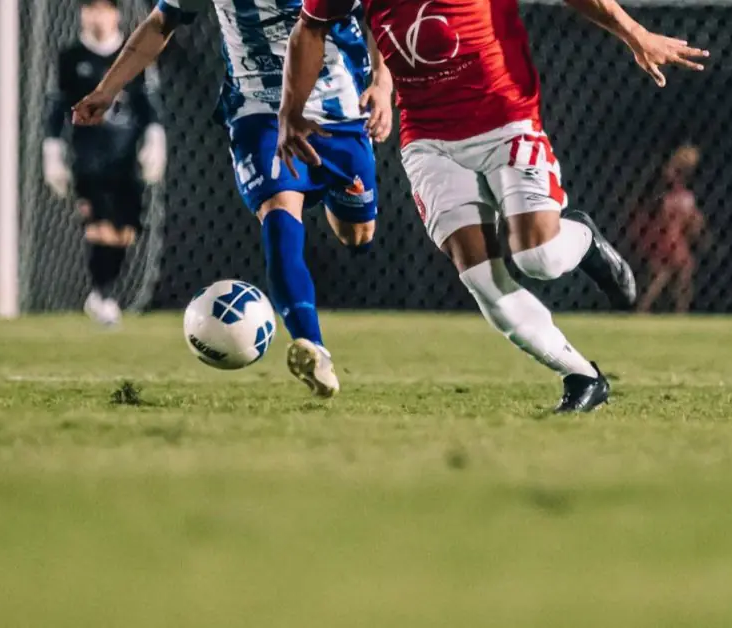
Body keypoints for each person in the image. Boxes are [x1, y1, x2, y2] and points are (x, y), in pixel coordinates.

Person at [277, 0, 709, 412]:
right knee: (481, 276)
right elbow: (312, 27)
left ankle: (582, 237)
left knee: (538, 257)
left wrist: (634, 34)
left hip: (504, 118)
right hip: (428, 140)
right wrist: (291, 111)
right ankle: (581, 377)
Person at [73, 0, 393, 397]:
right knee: (278, 211)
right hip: (260, 111)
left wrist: (382, 80)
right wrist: (108, 89)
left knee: (357, 234)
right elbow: (161, 22)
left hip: (340, 108)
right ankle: (315, 348)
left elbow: (383, 11)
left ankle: (333, 197)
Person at [44, 0, 167, 326]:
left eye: (103, 8)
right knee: (98, 227)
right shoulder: (70, 58)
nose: (97, 15)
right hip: (89, 158)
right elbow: (57, 107)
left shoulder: (134, 53)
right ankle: (103, 294)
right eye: (90, 8)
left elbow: (146, 102)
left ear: (115, 13)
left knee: (122, 232)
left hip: (125, 157)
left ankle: (102, 293)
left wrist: (155, 139)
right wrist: (53, 150)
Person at [630, 145, 708, 313]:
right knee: (674, 274)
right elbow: (687, 220)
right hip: (674, 238)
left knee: (669, 274)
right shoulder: (680, 196)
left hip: (669, 236)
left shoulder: (673, 194)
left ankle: (651, 307)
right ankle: (674, 309)